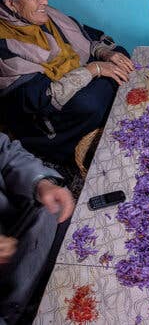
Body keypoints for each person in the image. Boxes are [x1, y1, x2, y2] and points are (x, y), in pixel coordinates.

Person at [0, 0, 134, 162]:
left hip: (73, 76)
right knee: (90, 102)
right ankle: (74, 141)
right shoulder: (5, 46)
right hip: (44, 114)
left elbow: (88, 38)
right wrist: (94, 69)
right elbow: (42, 98)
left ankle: (107, 113)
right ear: (11, 4)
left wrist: (104, 53)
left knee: (119, 54)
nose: (44, 0)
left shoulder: (46, 16)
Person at [0, 133, 76, 323]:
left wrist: (39, 182)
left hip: (8, 219)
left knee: (53, 204)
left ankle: (31, 292)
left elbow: (6, 152)